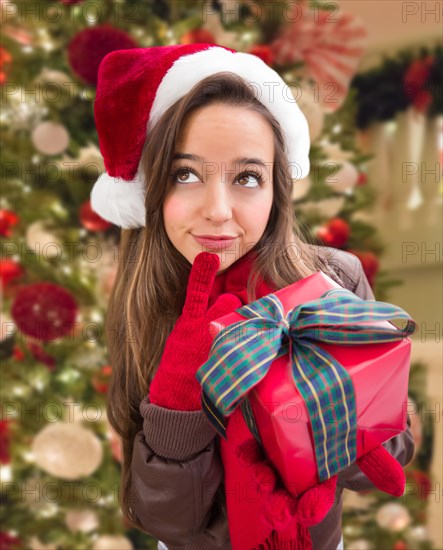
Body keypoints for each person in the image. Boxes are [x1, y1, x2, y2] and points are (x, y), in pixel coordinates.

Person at [91, 44, 415, 550]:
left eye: (246, 178)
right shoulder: (144, 302)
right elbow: (166, 518)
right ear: (152, 189)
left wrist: (332, 391)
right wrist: (179, 406)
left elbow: (385, 460)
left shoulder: (334, 280)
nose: (218, 211)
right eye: (186, 174)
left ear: (276, 190)